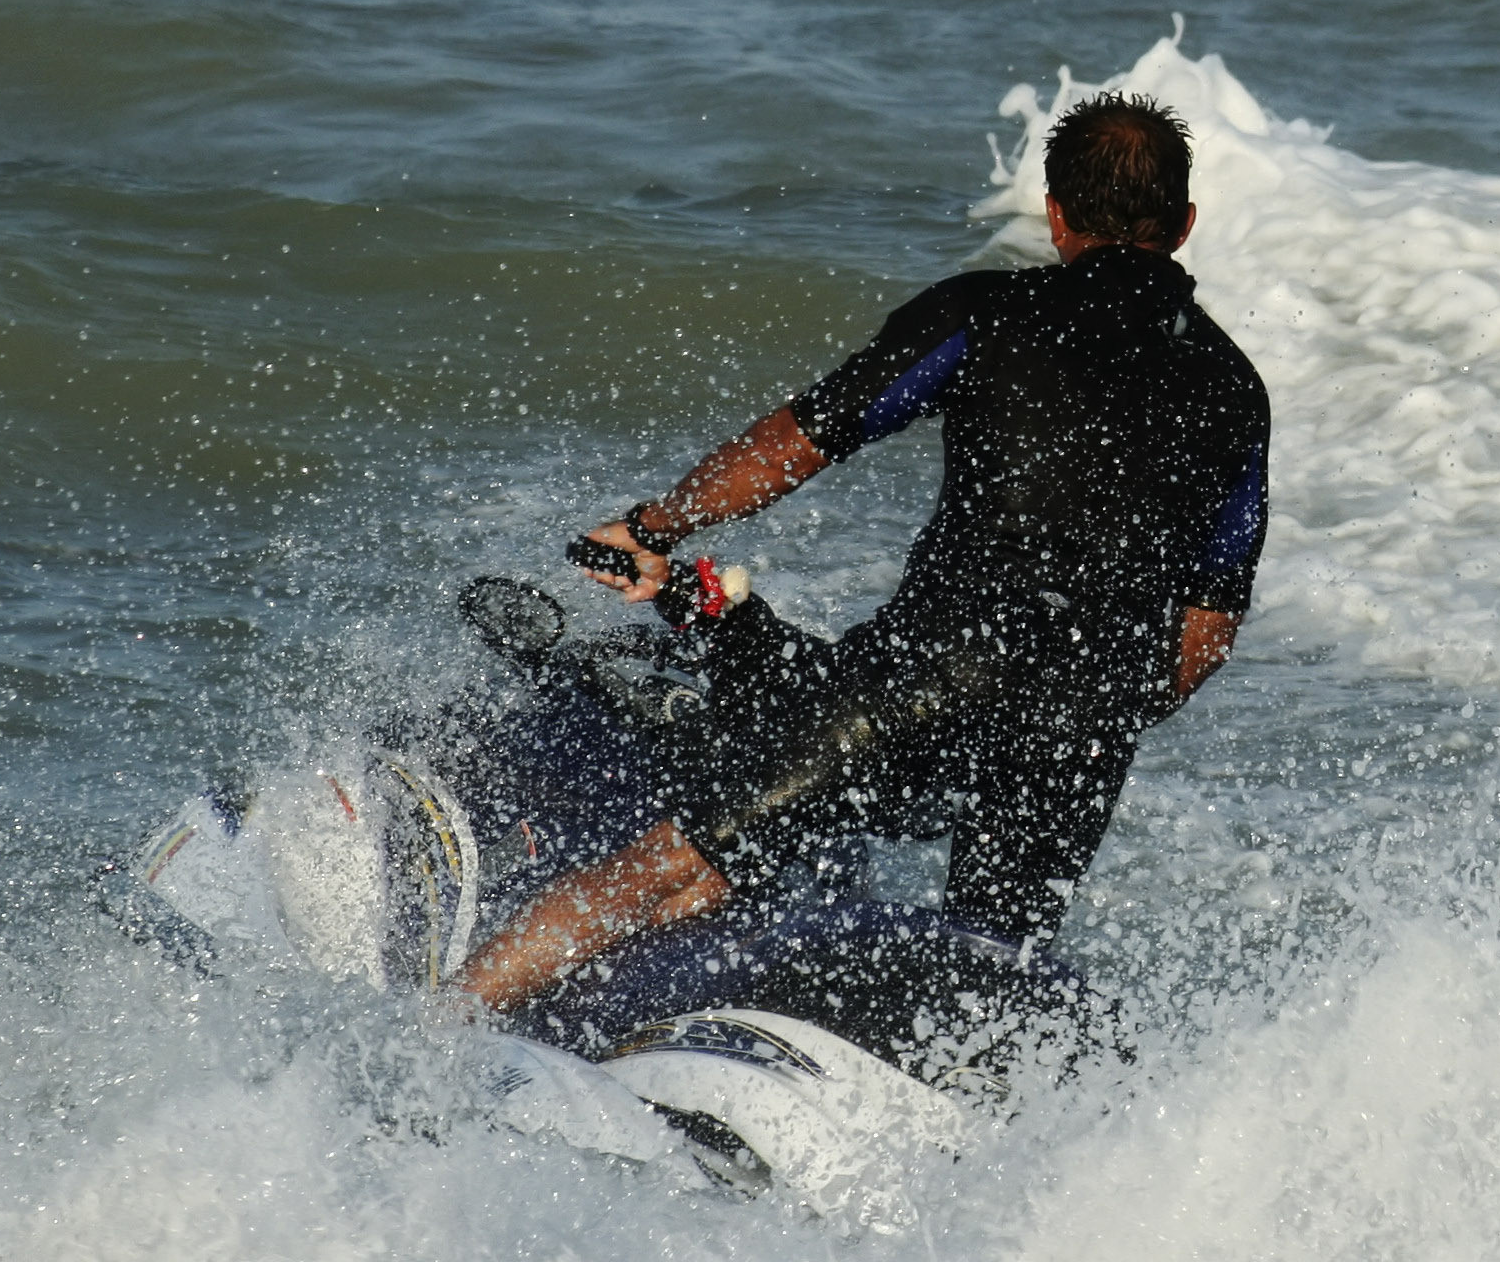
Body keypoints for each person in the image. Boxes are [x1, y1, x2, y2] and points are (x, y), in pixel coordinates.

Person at [450, 93, 1270, 1058]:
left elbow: (798, 444)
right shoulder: (1236, 390)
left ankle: (435, 1039)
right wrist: (1091, 704)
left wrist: (653, 525)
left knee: (681, 865)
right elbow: (1205, 634)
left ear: (1055, 216)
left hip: (931, 671)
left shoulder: (984, 315)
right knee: (986, 965)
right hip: (1086, 712)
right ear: (1183, 224)